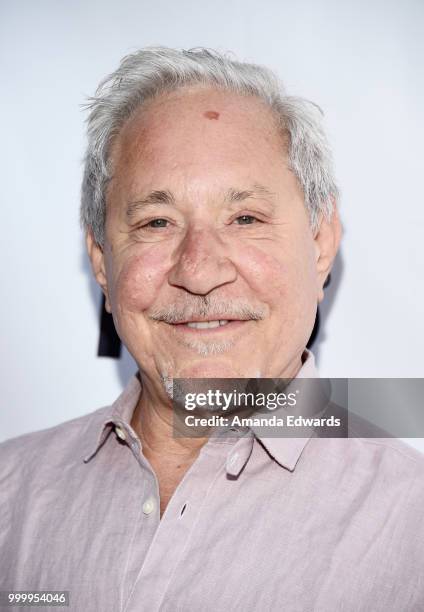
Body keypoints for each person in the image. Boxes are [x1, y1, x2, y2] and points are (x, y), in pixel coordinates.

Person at [1, 47, 423, 612]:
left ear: (321, 244)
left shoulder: (410, 526)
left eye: (245, 217)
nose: (198, 271)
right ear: (102, 260)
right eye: (157, 222)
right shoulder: (10, 494)